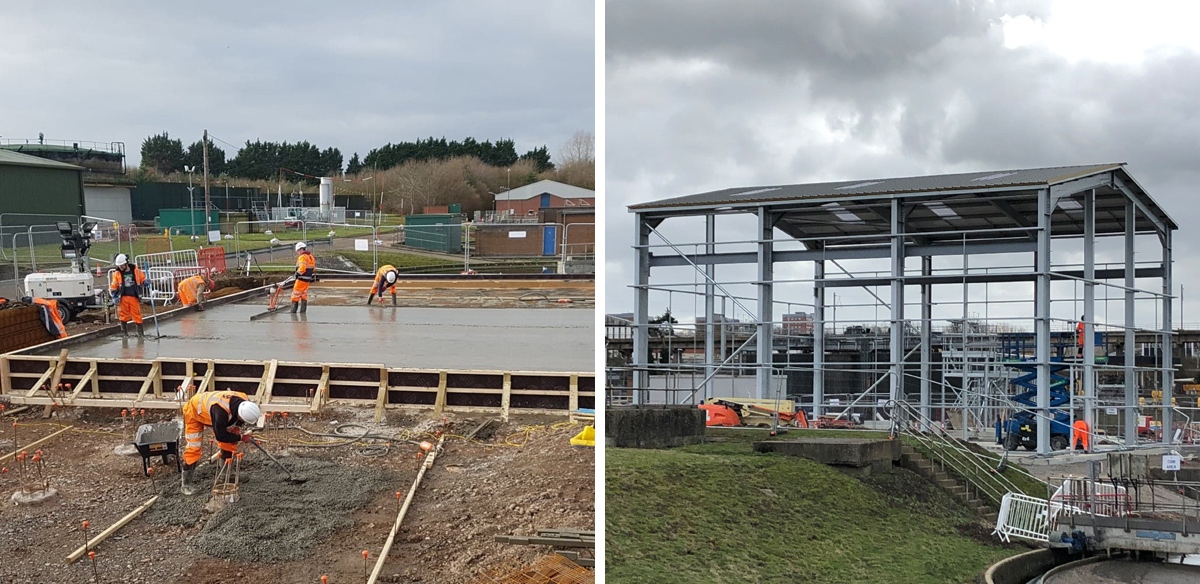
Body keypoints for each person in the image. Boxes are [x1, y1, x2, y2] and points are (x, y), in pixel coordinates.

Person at [179, 390, 261, 495]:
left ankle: (227, 474)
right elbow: (220, 436)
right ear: (239, 414)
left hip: (212, 413)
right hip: (195, 412)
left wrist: (237, 427)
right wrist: (240, 437)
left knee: (229, 444)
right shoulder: (220, 411)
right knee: (194, 447)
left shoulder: (244, 400)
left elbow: (240, 420)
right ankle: (186, 485)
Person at [109, 254, 147, 338]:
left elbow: (142, 279)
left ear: (126, 263)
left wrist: (145, 282)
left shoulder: (136, 271)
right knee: (123, 316)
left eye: (122, 265)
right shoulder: (117, 273)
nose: (121, 267)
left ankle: (140, 334)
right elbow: (114, 285)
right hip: (123, 298)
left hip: (134, 297)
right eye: (119, 265)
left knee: (137, 315)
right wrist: (114, 296)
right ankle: (124, 334)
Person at [291, 242, 315, 313]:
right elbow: (313, 268)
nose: (297, 253)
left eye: (298, 251)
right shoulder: (310, 256)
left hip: (301, 279)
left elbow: (302, 268)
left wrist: (297, 274)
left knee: (295, 295)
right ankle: (302, 312)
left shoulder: (302, 257)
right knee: (304, 295)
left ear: (301, 249)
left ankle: (293, 312)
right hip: (307, 279)